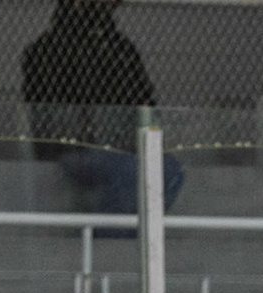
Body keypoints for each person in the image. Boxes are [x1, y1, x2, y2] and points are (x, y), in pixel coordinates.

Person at [20, 0, 183, 219]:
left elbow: (145, 101)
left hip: (116, 149)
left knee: (169, 169)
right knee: (132, 170)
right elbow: (46, 108)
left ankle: (118, 229)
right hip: (73, 150)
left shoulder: (121, 49)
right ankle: (109, 230)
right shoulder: (48, 49)